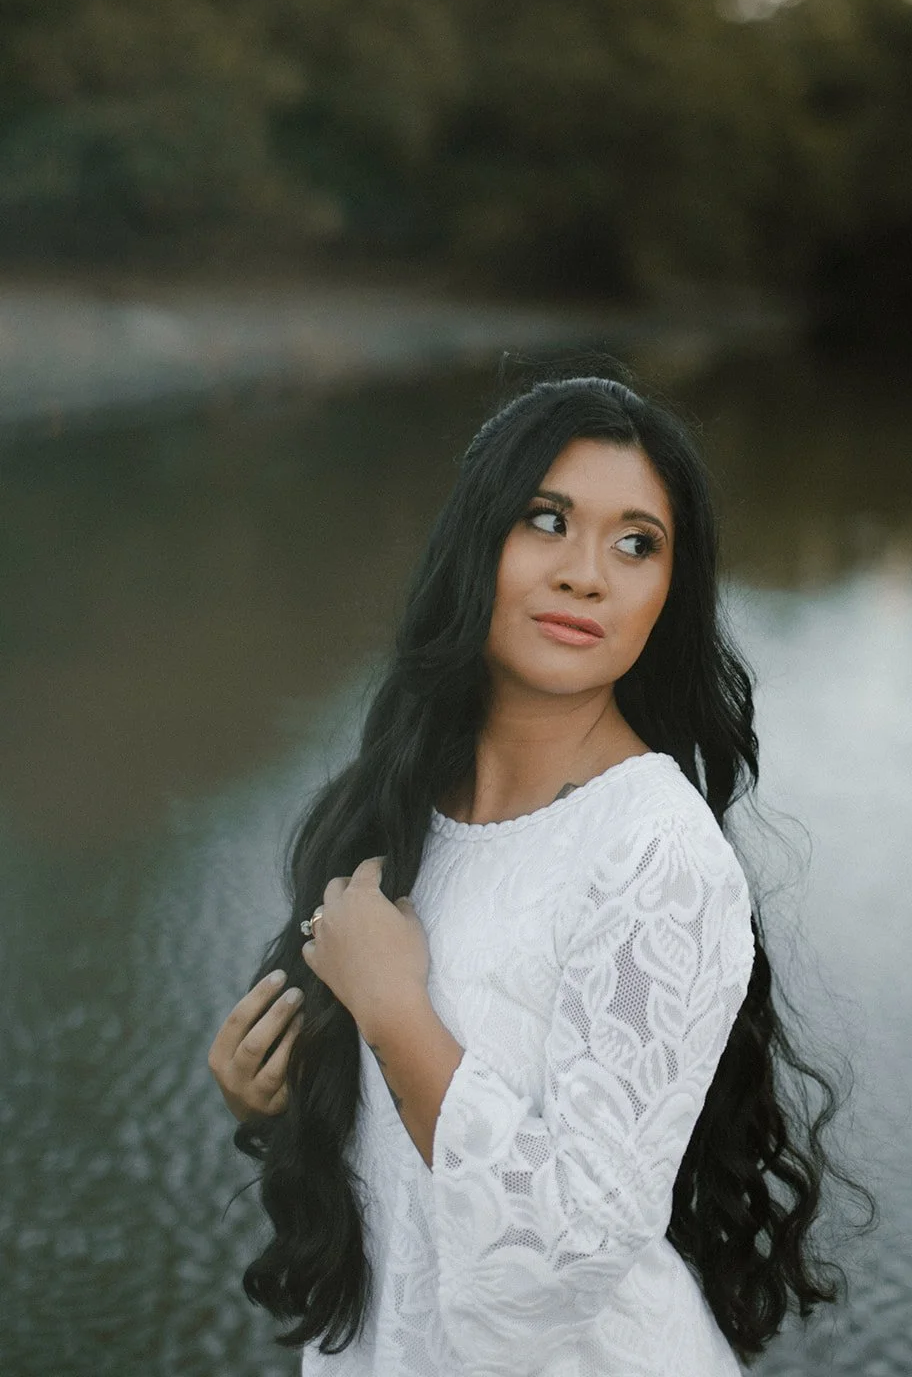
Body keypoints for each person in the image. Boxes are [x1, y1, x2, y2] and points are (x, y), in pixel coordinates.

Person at [209, 372, 865, 1375]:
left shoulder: (653, 852)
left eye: (634, 542)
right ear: (476, 540)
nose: (586, 574)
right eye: (545, 520)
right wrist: (282, 1105)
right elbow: (413, 1161)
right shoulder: (397, 799)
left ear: (667, 594)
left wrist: (391, 1009)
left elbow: (565, 1252)